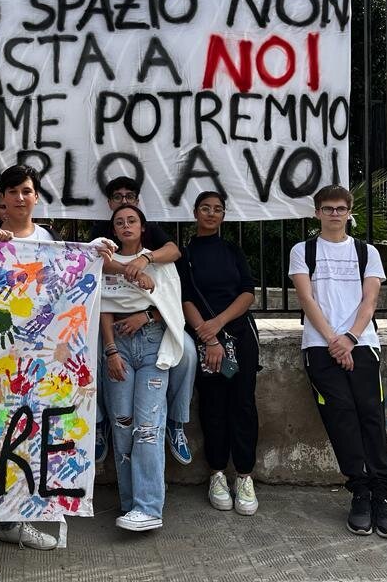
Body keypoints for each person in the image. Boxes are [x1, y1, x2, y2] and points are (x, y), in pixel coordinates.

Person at [289, 185, 387, 540]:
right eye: (327, 208)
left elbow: (369, 302)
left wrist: (350, 339)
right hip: (320, 346)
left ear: (349, 213)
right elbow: (307, 299)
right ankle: (360, 493)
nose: (334, 214)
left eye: (340, 208)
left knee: (370, 414)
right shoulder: (302, 251)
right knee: (341, 417)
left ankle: (381, 495)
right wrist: (333, 342)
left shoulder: (367, 252)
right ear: (317, 213)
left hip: (362, 343)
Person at [0, 164, 59, 582]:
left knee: (21, 445)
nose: (20, 198)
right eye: (13, 192)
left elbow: (62, 291)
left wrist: (98, 253)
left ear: (36, 196)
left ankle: (9, 522)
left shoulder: (48, 242)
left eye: (27, 191)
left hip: (33, 363)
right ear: (1, 200)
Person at [89, 175, 196, 467]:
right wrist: (130, 270)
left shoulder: (151, 233)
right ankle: (100, 424)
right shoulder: (101, 232)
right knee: (92, 358)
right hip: (112, 325)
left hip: (155, 321)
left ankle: (175, 422)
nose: (124, 203)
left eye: (130, 197)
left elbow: (173, 253)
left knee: (186, 352)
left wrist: (144, 260)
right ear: (109, 205)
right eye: (118, 197)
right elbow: (95, 262)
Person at [97, 204, 187, 532]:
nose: (125, 226)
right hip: (117, 346)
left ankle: (149, 507)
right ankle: (130, 503)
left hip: (151, 344)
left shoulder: (157, 260)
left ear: (143, 225)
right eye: (119, 222)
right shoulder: (106, 259)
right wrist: (110, 352)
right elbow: (104, 307)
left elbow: (172, 306)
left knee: (148, 427)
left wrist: (145, 317)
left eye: (131, 220)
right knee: (123, 425)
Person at [179, 191, 259, 515]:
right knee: (212, 406)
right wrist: (209, 338)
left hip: (239, 335)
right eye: (205, 208)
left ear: (224, 215)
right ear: (195, 212)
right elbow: (185, 299)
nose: (211, 214)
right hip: (204, 341)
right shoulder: (184, 255)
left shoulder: (232, 251)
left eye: (217, 209)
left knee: (243, 406)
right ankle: (216, 474)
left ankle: (244, 476)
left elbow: (248, 293)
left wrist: (220, 323)